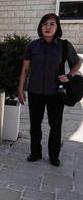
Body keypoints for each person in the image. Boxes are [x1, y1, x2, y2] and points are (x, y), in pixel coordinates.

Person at [18, 13, 82, 166]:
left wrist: (70, 76)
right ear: (40, 27)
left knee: (55, 125)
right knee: (35, 124)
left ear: (57, 27)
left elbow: (77, 62)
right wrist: (20, 89)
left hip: (55, 93)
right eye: (45, 24)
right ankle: (35, 152)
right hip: (35, 92)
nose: (48, 27)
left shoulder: (64, 45)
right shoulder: (32, 46)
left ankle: (54, 156)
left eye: (52, 24)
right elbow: (25, 69)